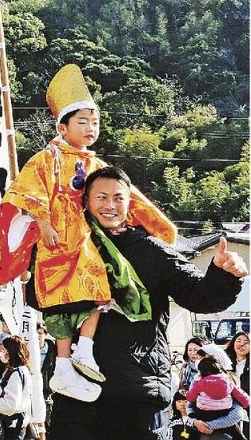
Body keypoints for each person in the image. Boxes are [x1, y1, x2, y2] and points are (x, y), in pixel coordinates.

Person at [0, 64, 177, 403]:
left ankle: (84, 350)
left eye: (94, 122)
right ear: (62, 126)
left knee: (98, 289)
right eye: (82, 122)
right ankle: (63, 363)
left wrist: (155, 223)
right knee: (59, 303)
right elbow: (28, 192)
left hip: (84, 240)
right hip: (56, 240)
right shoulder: (46, 158)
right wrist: (44, 223)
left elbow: (126, 195)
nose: (90, 128)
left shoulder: (95, 165)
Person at [48, 166, 248, 440]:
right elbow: (40, 297)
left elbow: (200, 296)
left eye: (119, 198)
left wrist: (223, 275)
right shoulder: (63, 247)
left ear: (130, 204)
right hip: (75, 393)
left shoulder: (150, 250)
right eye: (101, 197)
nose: (110, 205)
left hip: (139, 395)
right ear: (85, 201)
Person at [0, 335, 33, 440]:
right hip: (13, 423)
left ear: (11, 351)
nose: (0, 353)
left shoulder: (16, 373)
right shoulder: (17, 370)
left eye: (3, 349)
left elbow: (11, 404)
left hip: (14, 425)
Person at [185, 354, 249, 439]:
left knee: (192, 434)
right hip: (224, 413)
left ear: (201, 371)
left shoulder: (199, 382)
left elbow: (190, 398)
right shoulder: (228, 381)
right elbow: (241, 396)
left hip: (204, 415)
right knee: (237, 433)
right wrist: (246, 403)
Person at [226, 331, 250, 438]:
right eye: (238, 341)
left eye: (246, 342)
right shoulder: (225, 364)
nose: (242, 345)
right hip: (230, 410)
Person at [37, 321, 57, 433]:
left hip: (47, 393)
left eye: (40, 333)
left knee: (46, 425)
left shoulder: (53, 352)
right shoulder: (28, 351)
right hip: (32, 393)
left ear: (45, 334)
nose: (38, 336)